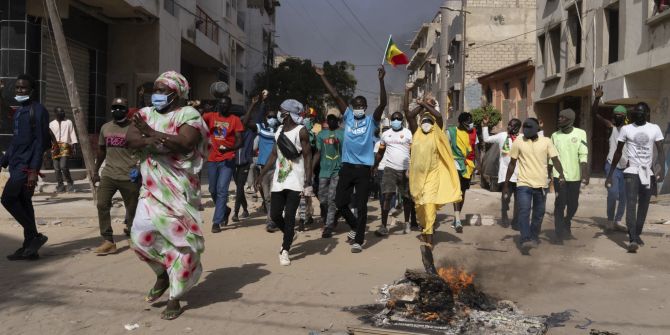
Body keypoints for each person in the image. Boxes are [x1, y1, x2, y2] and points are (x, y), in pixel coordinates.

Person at [126, 71, 208, 320]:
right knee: (139, 234)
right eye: (156, 89)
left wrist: (149, 135)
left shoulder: (188, 115)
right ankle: (163, 273)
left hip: (179, 188)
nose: (157, 94)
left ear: (177, 93)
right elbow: (130, 140)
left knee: (180, 241)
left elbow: (185, 143)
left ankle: (175, 296)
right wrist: (159, 140)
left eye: (163, 90)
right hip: (151, 187)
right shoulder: (144, 114)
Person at [316, 65, 387, 253]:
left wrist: (381, 80)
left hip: (363, 169)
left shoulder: (371, 121)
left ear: (365, 108)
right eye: (355, 106)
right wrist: (323, 77)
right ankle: (356, 226)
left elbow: (382, 105)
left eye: (361, 106)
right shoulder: (347, 117)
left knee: (362, 206)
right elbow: (336, 95)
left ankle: (359, 240)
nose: (358, 108)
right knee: (339, 202)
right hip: (346, 167)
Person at [406, 99, 462, 274]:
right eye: (425, 121)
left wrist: (426, 104)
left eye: (429, 122)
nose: (427, 124)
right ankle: (425, 228)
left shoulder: (436, 134)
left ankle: (429, 239)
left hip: (432, 177)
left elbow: (438, 116)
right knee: (420, 208)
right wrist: (420, 107)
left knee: (429, 206)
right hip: (416, 179)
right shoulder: (416, 132)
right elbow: (409, 115)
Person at [255, 99, 312, 266]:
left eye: (281, 111)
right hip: (280, 179)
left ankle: (285, 249)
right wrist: (261, 174)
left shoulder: (301, 131)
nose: (279, 114)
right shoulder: (279, 130)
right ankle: (289, 233)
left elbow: (307, 156)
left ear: (287, 114)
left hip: (296, 180)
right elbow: (274, 154)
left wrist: (308, 181)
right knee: (274, 214)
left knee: (289, 217)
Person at [1, 74, 50, 261]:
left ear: (32, 90)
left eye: (24, 88)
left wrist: (33, 171)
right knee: (24, 203)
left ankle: (35, 236)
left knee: (7, 199)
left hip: (26, 167)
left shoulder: (38, 111)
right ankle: (30, 247)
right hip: (15, 164)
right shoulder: (20, 110)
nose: (20, 91)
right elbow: (16, 140)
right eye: (17, 88)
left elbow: (40, 142)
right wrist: (4, 160)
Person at [606, 102, 665, 253]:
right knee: (631, 204)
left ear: (647, 114)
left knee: (644, 205)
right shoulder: (626, 129)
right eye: (635, 112)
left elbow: (660, 150)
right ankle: (632, 239)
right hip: (631, 171)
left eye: (640, 112)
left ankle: (637, 233)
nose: (637, 114)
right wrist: (611, 173)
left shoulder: (654, 128)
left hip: (648, 173)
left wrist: (662, 169)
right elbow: (618, 152)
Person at [504, 118, 565, 252]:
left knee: (539, 214)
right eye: (524, 128)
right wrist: (506, 184)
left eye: (529, 128)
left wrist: (561, 174)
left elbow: (555, 160)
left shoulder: (547, 141)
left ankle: (533, 236)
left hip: (542, 185)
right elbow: (512, 164)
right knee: (524, 211)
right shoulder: (518, 142)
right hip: (523, 184)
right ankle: (525, 238)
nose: (526, 131)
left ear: (537, 128)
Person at [91, 97, 140, 255]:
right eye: (114, 107)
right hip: (109, 174)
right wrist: (96, 171)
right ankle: (108, 241)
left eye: (121, 108)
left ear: (127, 111)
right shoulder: (105, 128)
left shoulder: (135, 129)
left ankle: (134, 236)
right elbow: (101, 150)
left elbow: (144, 150)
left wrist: (139, 167)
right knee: (102, 205)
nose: (117, 110)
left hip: (129, 176)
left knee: (132, 209)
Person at [203, 96, 244, 233]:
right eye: (221, 104)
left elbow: (240, 141)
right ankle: (225, 210)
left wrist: (230, 149)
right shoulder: (210, 116)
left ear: (230, 106)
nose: (223, 106)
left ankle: (217, 222)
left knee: (222, 190)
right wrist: (201, 108)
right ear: (218, 105)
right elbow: (197, 121)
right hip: (212, 159)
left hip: (227, 159)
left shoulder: (235, 120)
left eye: (226, 104)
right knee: (212, 190)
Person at [550, 108, 589, 241]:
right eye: (559, 117)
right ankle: (559, 233)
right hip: (558, 176)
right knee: (560, 203)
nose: (559, 119)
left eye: (562, 118)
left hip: (575, 176)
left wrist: (584, 173)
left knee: (573, 205)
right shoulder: (555, 135)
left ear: (570, 120)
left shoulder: (581, 133)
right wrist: (548, 174)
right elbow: (552, 157)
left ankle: (567, 221)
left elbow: (583, 153)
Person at [592, 86, 628, 232]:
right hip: (611, 166)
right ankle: (610, 220)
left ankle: (618, 220)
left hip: (626, 167)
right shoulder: (611, 127)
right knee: (612, 194)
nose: (618, 116)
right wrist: (596, 98)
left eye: (621, 114)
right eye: (616, 114)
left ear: (625, 116)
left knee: (624, 196)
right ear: (614, 116)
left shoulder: (630, 129)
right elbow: (594, 114)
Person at [374, 109, 413, 237]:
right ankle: (384, 226)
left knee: (407, 197)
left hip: (405, 169)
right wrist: (374, 165)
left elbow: (413, 152)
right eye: (394, 119)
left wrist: (411, 168)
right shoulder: (385, 135)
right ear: (390, 121)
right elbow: (381, 152)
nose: (396, 121)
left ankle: (407, 222)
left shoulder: (408, 133)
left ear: (402, 121)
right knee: (387, 196)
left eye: (399, 119)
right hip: (389, 169)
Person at [243, 94, 279, 232]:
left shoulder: (280, 130)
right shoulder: (262, 128)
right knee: (268, 197)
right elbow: (245, 123)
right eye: (270, 116)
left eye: (274, 116)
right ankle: (271, 219)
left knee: (274, 195)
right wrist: (253, 105)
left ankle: (272, 220)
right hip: (264, 167)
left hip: (277, 168)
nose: (272, 119)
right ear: (265, 118)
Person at [482, 117, 522, 229]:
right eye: (508, 124)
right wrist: (485, 126)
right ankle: (504, 215)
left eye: (511, 125)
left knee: (519, 201)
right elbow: (486, 139)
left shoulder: (523, 138)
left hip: (520, 174)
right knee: (506, 197)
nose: (508, 127)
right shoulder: (502, 136)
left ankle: (516, 221)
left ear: (517, 128)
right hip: (505, 175)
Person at [314, 108, 344, 238]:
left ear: (338, 120)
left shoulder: (344, 134)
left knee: (331, 198)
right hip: (323, 171)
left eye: (334, 118)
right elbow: (318, 153)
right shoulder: (321, 134)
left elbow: (346, 153)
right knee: (322, 197)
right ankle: (332, 216)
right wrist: (310, 170)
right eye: (329, 118)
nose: (331, 120)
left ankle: (329, 226)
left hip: (338, 171)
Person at [447, 112, 477, 233]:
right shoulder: (451, 132)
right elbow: (446, 148)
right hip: (454, 164)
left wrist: (476, 165)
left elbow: (474, 149)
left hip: (466, 166)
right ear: (461, 122)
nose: (470, 124)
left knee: (463, 193)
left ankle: (456, 217)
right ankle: (458, 220)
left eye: (471, 121)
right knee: (457, 191)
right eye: (468, 122)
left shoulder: (470, 133)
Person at [232, 97, 260, 223]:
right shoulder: (233, 131)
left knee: (239, 189)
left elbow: (246, 120)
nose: (240, 121)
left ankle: (236, 213)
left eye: (243, 119)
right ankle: (246, 210)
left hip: (244, 163)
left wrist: (253, 104)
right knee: (239, 188)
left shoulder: (249, 131)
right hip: (233, 163)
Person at [49, 107, 79, 193]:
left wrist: (74, 145)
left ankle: (70, 182)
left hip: (65, 145)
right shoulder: (51, 124)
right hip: (55, 146)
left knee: (63, 166)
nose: (62, 112)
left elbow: (72, 133)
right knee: (56, 168)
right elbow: (49, 137)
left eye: (63, 111)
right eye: (60, 111)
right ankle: (60, 185)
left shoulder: (68, 122)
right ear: (55, 113)